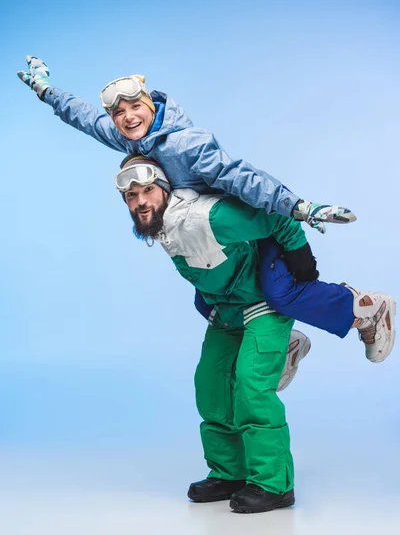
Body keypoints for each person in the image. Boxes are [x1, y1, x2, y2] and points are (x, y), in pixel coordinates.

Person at [113, 155, 396, 514]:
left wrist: (301, 257)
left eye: (148, 190)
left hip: (263, 303)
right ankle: (230, 472)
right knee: (211, 385)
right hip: (227, 310)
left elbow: (275, 214)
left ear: (166, 188)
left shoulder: (207, 217)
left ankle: (273, 484)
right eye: (131, 196)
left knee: (251, 386)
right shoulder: (160, 225)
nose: (139, 202)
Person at [17, 55, 356, 237]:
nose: (128, 117)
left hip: (235, 217)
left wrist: (298, 205)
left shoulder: (186, 144)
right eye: (119, 113)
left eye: (136, 107)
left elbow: (237, 176)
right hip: (200, 234)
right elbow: (84, 116)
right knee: (208, 301)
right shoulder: (124, 136)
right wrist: (45, 89)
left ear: (150, 106)